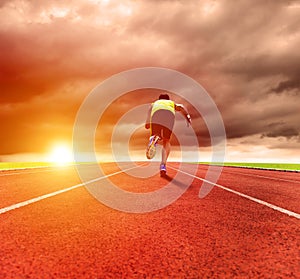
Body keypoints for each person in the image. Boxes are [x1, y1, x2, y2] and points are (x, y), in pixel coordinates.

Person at [145, 93, 192, 176]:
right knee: (166, 140)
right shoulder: (171, 103)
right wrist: (187, 117)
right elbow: (181, 107)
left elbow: (149, 111)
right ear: (168, 99)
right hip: (169, 115)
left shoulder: (155, 103)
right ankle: (163, 165)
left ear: (159, 99)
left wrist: (147, 122)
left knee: (155, 134)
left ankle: (155, 137)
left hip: (156, 114)